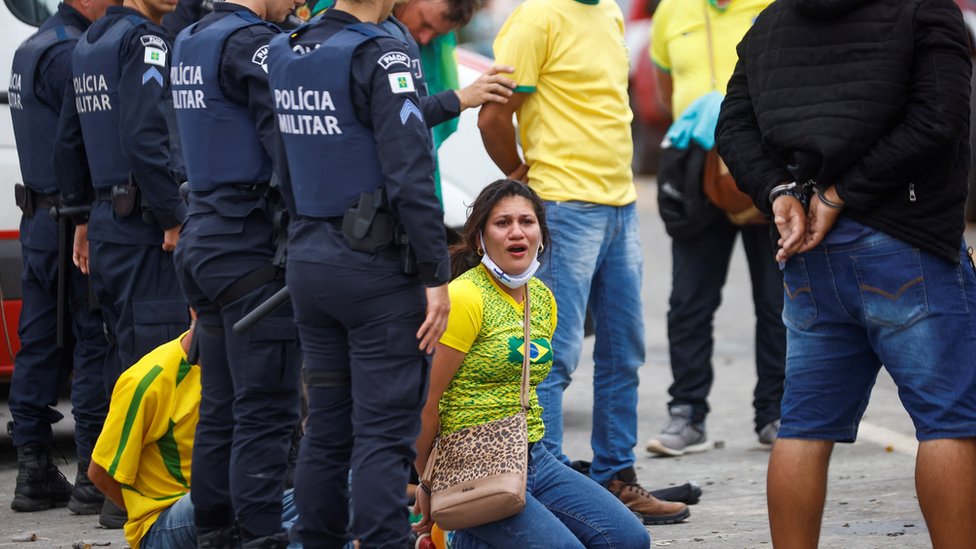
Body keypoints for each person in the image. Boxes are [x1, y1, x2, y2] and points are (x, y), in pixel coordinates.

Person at [715, 0, 976, 546]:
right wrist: (840, 194)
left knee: (804, 426)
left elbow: (734, 125)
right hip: (907, 241)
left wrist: (779, 192)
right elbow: (939, 119)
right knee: (950, 422)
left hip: (809, 250)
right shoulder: (924, 9)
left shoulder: (773, 19)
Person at [478, 0, 689, 525]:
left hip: (620, 205)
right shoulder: (536, 19)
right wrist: (519, 177)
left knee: (624, 351)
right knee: (553, 356)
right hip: (565, 206)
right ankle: (548, 490)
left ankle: (615, 478)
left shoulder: (609, 13)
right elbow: (493, 116)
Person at [266, 0, 452, 544]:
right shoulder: (382, 55)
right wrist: (436, 273)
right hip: (375, 272)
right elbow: (411, 173)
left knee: (326, 426)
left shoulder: (287, 49)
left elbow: (283, 162)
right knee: (383, 433)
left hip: (309, 258)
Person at [412, 179, 652, 548]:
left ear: (540, 235)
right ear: (480, 239)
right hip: (470, 463)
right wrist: (428, 483)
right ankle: (457, 535)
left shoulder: (541, 298)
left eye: (526, 221)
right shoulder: (464, 297)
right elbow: (425, 404)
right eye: (502, 223)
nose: (516, 232)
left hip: (533, 454)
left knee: (629, 540)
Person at [169, 0, 304, 545]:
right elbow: (289, 146)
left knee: (221, 405)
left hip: (204, 232)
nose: (297, 3)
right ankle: (259, 536)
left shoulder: (190, 39)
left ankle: (212, 532)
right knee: (265, 410)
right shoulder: (253, 43)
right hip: (248, 244)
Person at [644, 0, 784, 457]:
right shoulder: (671, 11)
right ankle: (687, 413)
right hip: (695, 166)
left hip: (763, 162)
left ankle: (776, 413)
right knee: (689, 301)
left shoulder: (773, 5)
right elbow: (665, 89)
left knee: (777, 299)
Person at [7, 0, 117, 515]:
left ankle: (32, 471)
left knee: (38, 343)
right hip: (72, 222)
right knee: (93, 339)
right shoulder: (73, 53)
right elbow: (85, 140)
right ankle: (92, 476)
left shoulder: (33, 46)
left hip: (37, 221)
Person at [54, 0, 189, 383]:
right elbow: (143, 136)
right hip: (146, 233)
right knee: (157, 373)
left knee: (122, 370)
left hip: (106, 230)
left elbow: (68, 142)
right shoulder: (146, 41)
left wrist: (82, 218)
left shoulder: (89, 42)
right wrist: (172, 216)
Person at [86, 325, 304, 549]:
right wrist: (142, 510)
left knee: (323, 491)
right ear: (195, 312)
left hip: (232, 502)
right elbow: (99, 472)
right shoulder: (149, 379)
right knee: (223, 497)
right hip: (165, 521)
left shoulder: (245, 368)